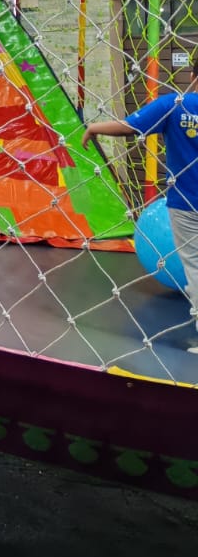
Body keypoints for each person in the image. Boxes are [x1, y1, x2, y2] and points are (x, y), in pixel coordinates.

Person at [88, 67, 198, 352]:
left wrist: (94, 128)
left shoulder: (174, 105)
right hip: (185, 204)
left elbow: (129, 127)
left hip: (187, 204)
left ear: (193, 75)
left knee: (195, 267)